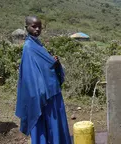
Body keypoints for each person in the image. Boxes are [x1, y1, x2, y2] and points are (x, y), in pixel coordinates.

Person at [15, 16, 71, 144]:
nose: (37, 29)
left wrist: (53, 61)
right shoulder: (29, 47)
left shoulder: (36, 43)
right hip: (42, 94)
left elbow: (43, 65)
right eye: (34, 26)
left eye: (39, 26)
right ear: (26, 28)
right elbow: (30, 74)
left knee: (54, 123)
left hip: (51, 91)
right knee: (45, 123)